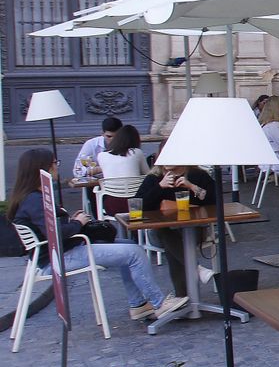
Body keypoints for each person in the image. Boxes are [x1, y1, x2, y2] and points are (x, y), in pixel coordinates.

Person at [7, 148, 182, 322]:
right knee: (134, 253)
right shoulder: (35, 200)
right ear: (43, 168)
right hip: (59, 256)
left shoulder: (32, 197)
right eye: (54, 163)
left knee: (129, 246)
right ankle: (158, 303)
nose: (57, 167)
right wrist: (78, 223)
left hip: (61, 251)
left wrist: (72, 221)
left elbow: (50, 229)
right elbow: (55, 233)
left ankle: (139, 305)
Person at [136, 164, 216, 299]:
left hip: (193, 229)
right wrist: (160, 187)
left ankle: (183, 299)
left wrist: (191, 186)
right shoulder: (154, 178)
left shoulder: (197, 175)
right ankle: (196, 269)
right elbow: (138, 204)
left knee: (172, 244)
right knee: (166, 232)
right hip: (160, 233)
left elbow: (214, 201)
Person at [73, 116, 122, 181]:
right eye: (109, 136)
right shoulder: (91, 144)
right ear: (102, 134)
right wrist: (102, 168)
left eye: (117, 136)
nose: (113, 140)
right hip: (95, 184)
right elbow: (77, 171)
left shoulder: (127, 144)